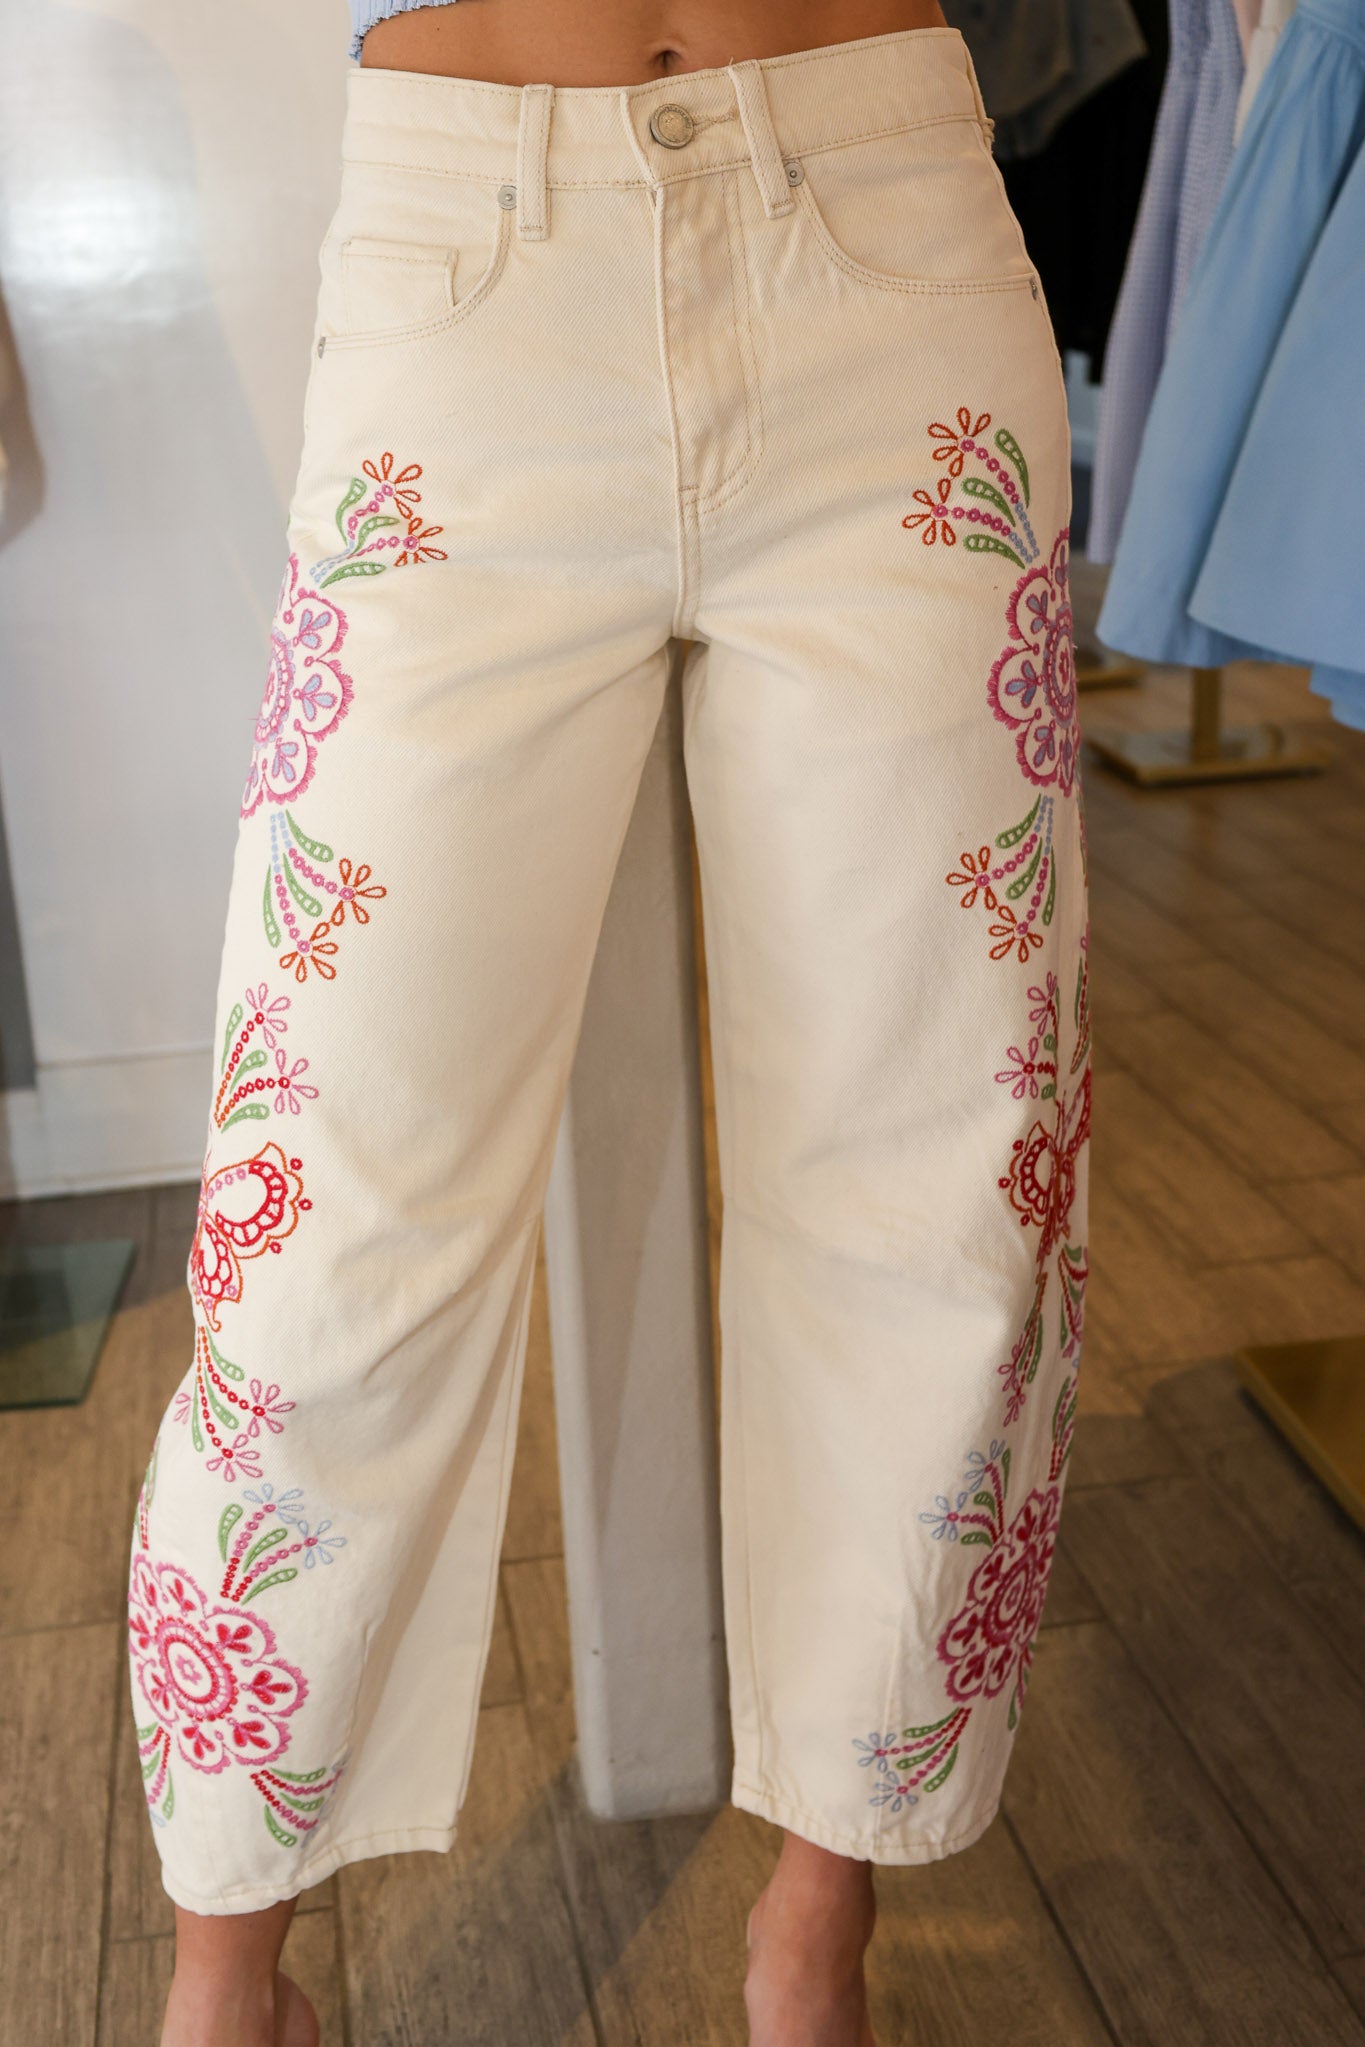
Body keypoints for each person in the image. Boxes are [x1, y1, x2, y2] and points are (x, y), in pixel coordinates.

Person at [131, 2, 1090, 2042]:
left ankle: (818, 1913)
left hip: (886, 235)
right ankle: (228, 1963)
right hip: (470, 281)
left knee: (944, 1175)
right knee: (323, 1215)